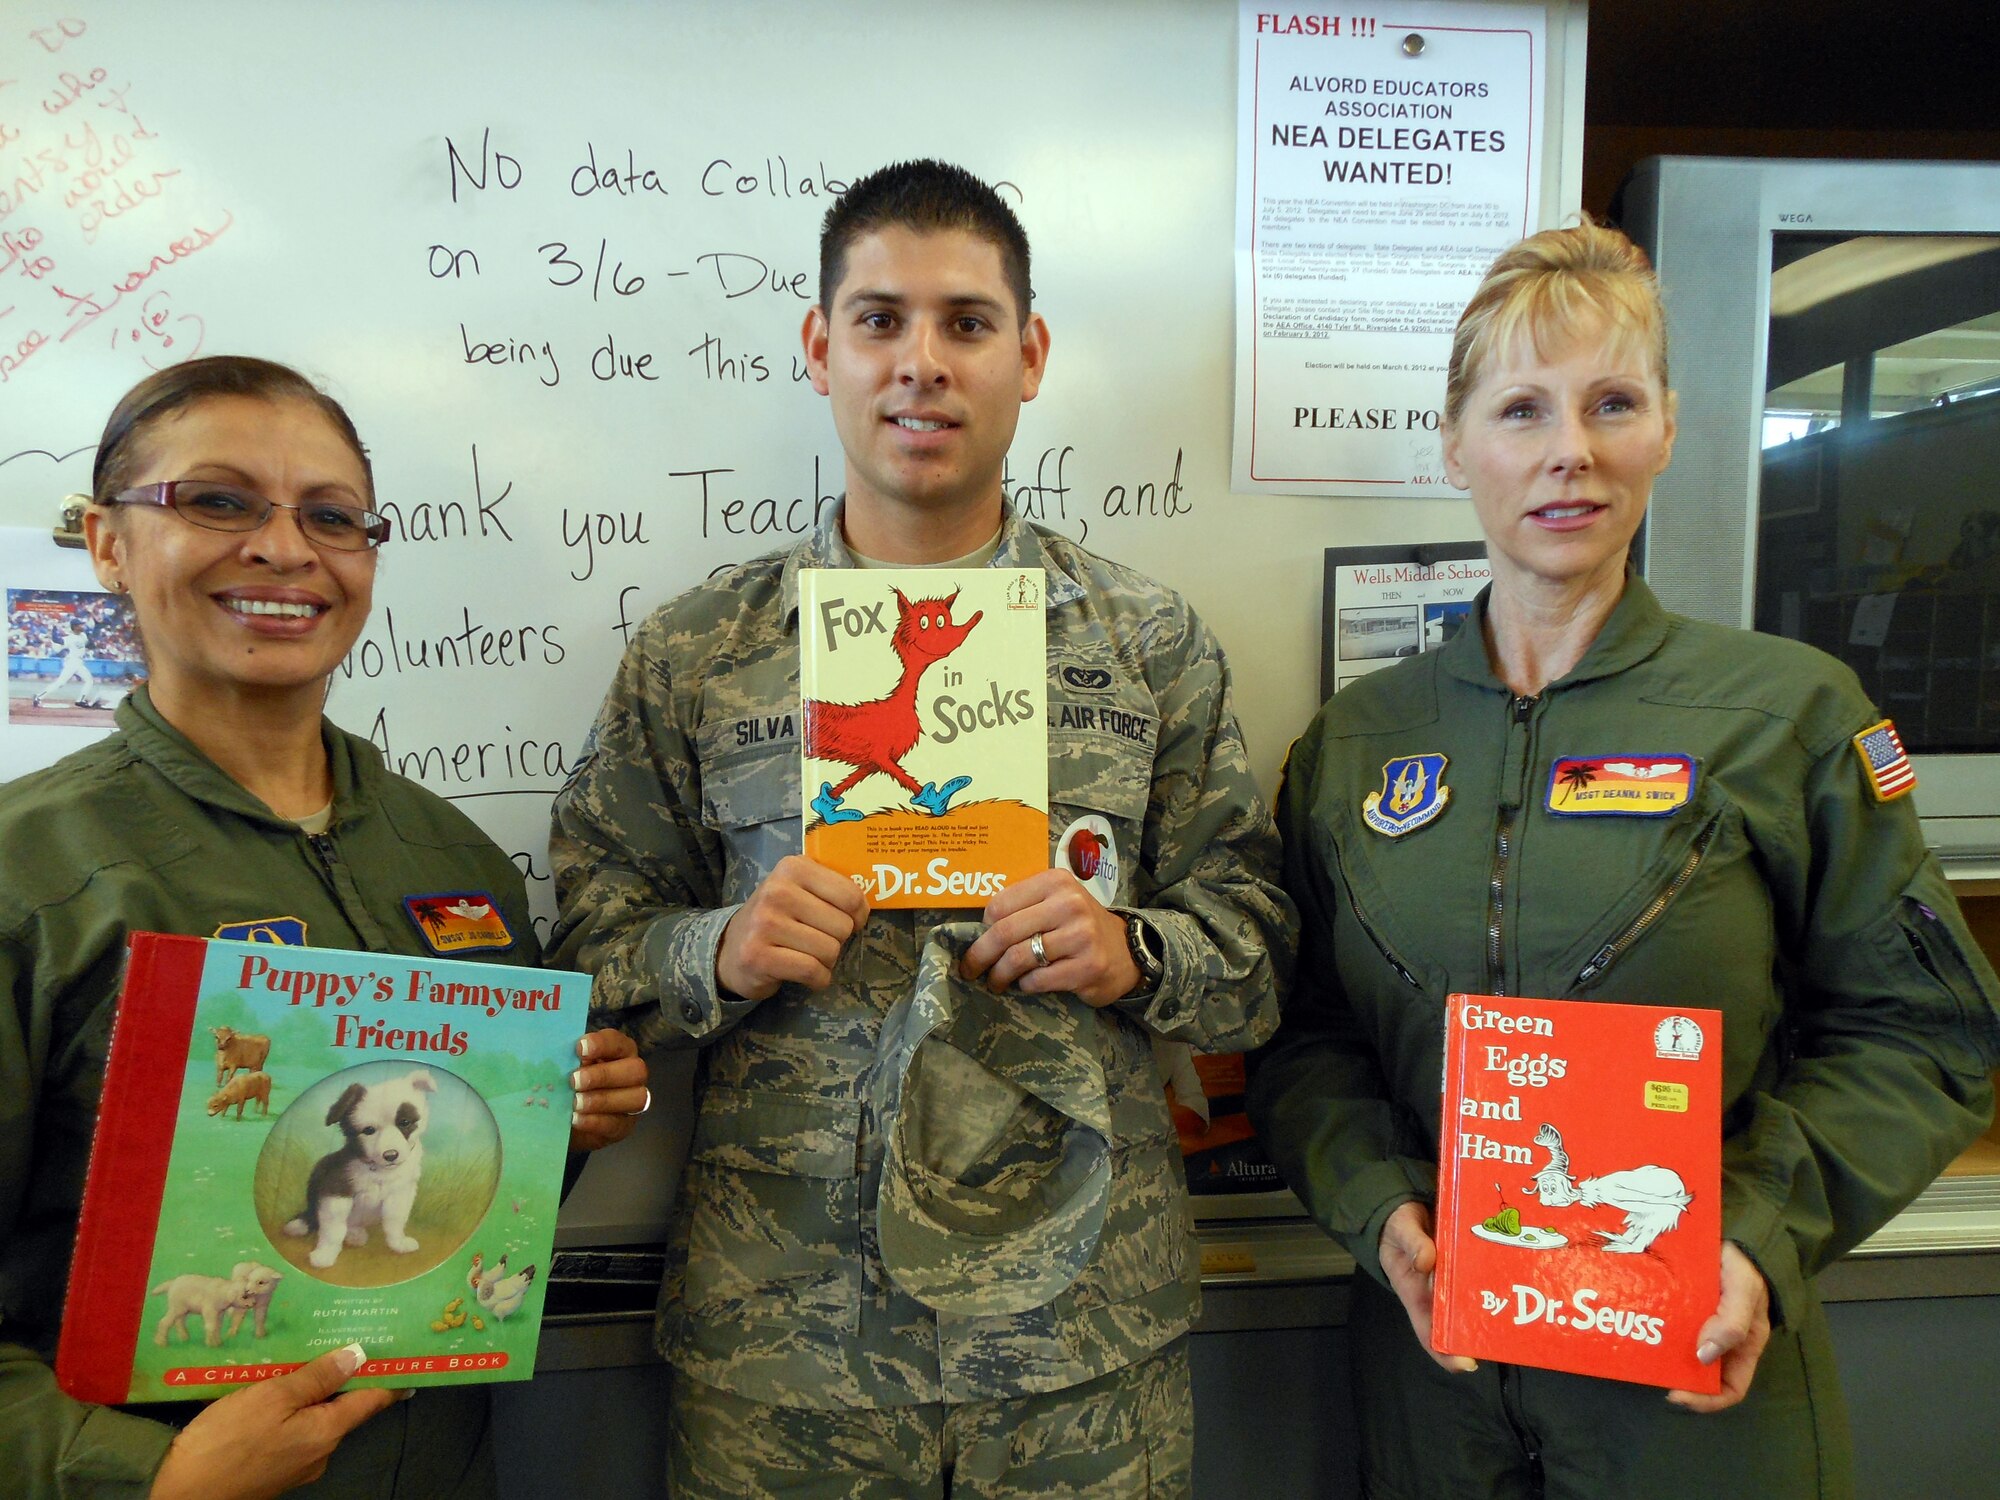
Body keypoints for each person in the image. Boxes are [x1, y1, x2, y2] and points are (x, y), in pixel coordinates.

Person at [551, 159, 1296, 1497]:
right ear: (820, 347)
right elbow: (584, 948)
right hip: (786, 1348)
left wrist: (1135, 955)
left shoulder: (1148, 644)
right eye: (882, 320)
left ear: (1032, 353)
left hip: (1079, 1344)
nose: (922, 364)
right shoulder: (699, 654)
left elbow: (1255, 947)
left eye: (966, 322)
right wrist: (716, 949)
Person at [1247, 222, 2000, 1500]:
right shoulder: (1358, 744)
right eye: (1521, 409)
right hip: (1434, 1382)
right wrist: (1382, 1213)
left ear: (1665, 427)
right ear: (1453, 443)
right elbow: (1304, 1038)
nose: (1568, 453)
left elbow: (1920, 1031)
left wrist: (1755, 1240)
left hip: (1693, 1383)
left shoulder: (1786, 717)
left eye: (1610, 404)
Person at [0, 356, 650, 1500]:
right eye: (218, 501)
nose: (286, 549)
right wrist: (143, 1478)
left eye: (333, 517)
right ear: (106, 543)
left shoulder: (451, 861)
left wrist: (564, 1122)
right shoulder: (32, 874)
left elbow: (469, 1200)